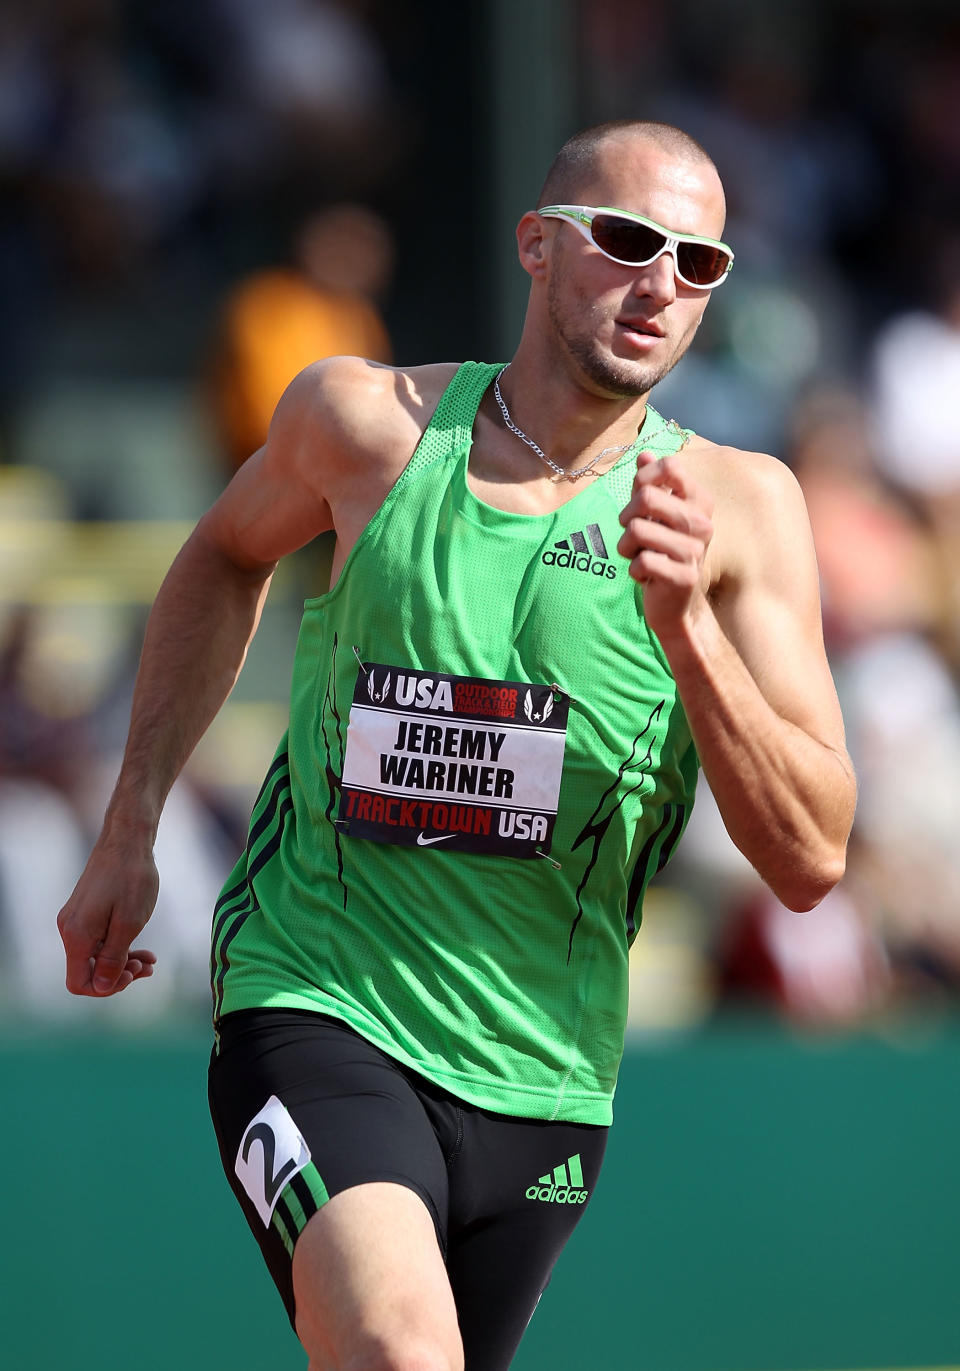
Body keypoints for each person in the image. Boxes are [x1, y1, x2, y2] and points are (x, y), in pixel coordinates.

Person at [57, 120, 856, 1371]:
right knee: (397, 1353)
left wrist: (689, 632)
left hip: (543, 1075)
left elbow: (812, 857)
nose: (661, 287)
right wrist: (130, 827)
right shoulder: (366, 425)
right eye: (631, 242)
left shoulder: (742, 509)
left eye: (700, 264)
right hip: (319, 996)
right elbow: (222, 555)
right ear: (537, 246)